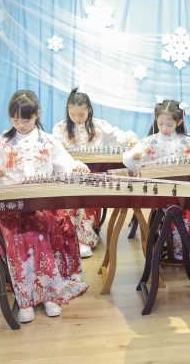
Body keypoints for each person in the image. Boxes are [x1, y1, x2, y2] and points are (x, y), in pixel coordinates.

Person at [0, 89, 90, 323]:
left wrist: (77, 167)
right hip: (12, 209)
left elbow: (66, 165)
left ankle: (47, 295)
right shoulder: (2, 142)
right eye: (15, 119)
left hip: (43, 206)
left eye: (26, 119)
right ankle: (26, 299)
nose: (20, 124)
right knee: (24, 235)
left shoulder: (48, 141)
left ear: (37, 114)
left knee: (39, 230)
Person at [123, 99, 190, 270]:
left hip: (185, 191)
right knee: (177, 209)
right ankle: (179, 253)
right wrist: (136, 155)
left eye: (169, 124)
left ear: (179, 122)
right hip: (161, 191)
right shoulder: (149, 142)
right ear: (156, 119)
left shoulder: (187, 141)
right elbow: (128, 160)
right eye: (160, 123)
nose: (164, 128)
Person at [52, 87, 138, 258]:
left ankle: (84, 239)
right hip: (69, 172)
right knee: (65, 196)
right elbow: (53, 151)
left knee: (90, 191)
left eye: (81, 115)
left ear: (89, 110)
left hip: (93, 173)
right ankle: (66, 239)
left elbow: (119, 137)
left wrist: (132, 139)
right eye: (72, 114)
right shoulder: (60, 128)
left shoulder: (99, 126)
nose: (76, 119)